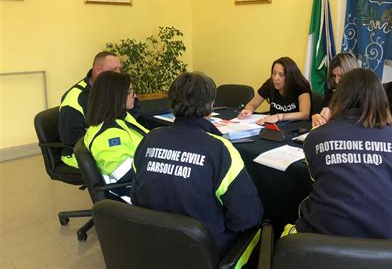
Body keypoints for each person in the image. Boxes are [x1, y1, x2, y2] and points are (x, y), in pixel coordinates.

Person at [295, 68, 392, 239]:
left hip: (319, 249)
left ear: (339, 98)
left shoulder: (315, 138)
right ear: (382, 99)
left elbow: (319, 182)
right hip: (389, 253)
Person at [131, 72, 263, 256]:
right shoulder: (221, 149)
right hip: (203, 253)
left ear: (172, 103)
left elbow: (136, 197)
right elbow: (246, 217)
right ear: (211, 106)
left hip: (152, 244)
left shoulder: (149, 139)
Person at [84, 72, 148, 197]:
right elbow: (126, 177)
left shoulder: (122, 118)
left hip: (146, 181)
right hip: (135, 195)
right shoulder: (108, 136)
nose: (134, 96)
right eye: (130, 91)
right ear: (115, 96)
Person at [58, 51, 122, 167]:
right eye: (113, 70)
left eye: (119, 69)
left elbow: (129, 115)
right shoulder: (75, 98)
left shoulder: (111, 89)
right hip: (81, 153)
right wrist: (105, 137)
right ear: (98, 70)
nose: (118, 73)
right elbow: (71, 137)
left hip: (109, 144)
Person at [239, 57, 311, 125]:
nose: (276, 78)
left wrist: (279, 117)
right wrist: (248, 111)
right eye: (274, 73)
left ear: (290, 76)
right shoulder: (270, 84)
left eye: (281, 74)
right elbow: (252, 104)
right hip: (273, 126)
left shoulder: (300, 86)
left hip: (294, 128)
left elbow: (305, 114)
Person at [312, 52, 358, 127]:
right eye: (334, 76)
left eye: (340, 76)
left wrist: (333, 116)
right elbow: (321, 110)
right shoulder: (333, 90)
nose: (336, 81)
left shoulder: (361, 94)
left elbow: (358, 120)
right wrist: (316, 116)